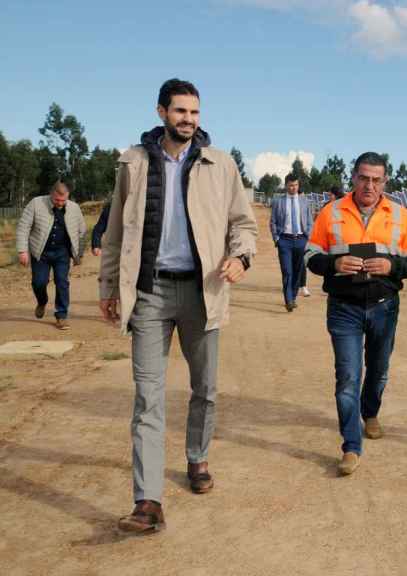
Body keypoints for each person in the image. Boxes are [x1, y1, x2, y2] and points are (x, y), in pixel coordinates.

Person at [98, 78, 258, 534]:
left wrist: (240, 256)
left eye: (195, 112)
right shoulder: (132, 163)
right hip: (148, 292)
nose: (188, 119)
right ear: (161, 112)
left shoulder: (220, 164)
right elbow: (114, 231)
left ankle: (197, 456)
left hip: (201, 290)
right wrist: (110, 286)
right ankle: (148, 501)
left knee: (205, 387)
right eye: (180, 111)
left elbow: (243, 224)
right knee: (148, 396)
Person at [305, 152, 407, 476]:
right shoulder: (331, 212)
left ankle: (370, 412)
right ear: (353, 177)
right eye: (363, 178)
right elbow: (311, 255)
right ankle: (351, 446)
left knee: (379, 369)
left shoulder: (399, 215)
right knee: (347, 378)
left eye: (376, 179)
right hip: (344, 308)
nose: (369, 185)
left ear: (385, 182)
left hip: (384, 307)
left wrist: (391, 266)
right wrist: (333, 264)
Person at [16, 180, 87, 330]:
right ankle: (42, 301)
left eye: (63, 200)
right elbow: (23, 227)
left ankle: (61, 316)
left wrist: (78, 253)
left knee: (62, 282)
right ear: (51, 194)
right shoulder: (36, 203)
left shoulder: (74, 208)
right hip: (40, 252)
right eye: (57, 200)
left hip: (62, 253)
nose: (60, 203)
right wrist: (22, 251)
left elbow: (82, 231)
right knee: (39, 282)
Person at [270, 174, 313, 310]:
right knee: (287, 271)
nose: (293, 188)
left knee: (298, 271)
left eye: (295, 185)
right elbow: (273, 222)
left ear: (298, 186)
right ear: (286, 185)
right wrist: (277, 239)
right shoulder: (278, 201)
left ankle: (293, 297)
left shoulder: (305, 201)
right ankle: (288, 300)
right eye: (290, 185)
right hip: (285, 241)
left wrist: (308, 238)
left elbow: (310, 221)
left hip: (301, 240)